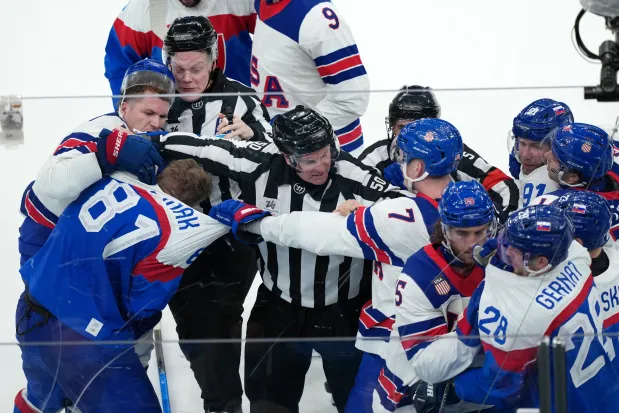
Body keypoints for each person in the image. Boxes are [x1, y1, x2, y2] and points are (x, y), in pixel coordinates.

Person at [154, 105, 402, 413]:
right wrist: (144, 142)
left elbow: (413, 214)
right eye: (308, 160)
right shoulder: (258, 162)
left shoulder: (356, 177)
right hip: (278, 307)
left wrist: (372, 215)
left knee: (358, 403)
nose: (321, 165)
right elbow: (206, 147)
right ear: (286, 156)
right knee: (267, 405)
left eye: (325, 154)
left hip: (346, 310)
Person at [207, 116, 464, 412]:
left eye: (404, 159)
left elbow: (316, 233)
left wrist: (254, 223)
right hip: (443, 348)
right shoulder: (474, 209)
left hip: (391, 343)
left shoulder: (393, 217)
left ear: (418, 168)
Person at [13, 159, 269, 413]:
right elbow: (141, 308)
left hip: (31, 313)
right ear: (196, 201)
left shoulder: (112, 178)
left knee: (40, 400)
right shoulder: (181, 231)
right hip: (83, 340)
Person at [162, 15, 271, 412]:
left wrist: (256, 138)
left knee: (215, 326)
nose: (187, 78)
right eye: (179, 69)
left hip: (228, 236)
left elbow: (275, 159)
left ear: (213, 62)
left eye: (197, 68)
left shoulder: (243, 101)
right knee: (196, 330)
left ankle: (222, 404)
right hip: (173, 235)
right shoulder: (157, 96)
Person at [416, 204, 619, 412]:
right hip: (607, 381)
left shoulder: (518, 318)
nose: (507, 250)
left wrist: (452, 385)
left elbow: (500, 389)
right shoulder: (577, 256)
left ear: (540, 262)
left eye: (515, 250)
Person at [18, 58, 173, 267]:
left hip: (93, 245)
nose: (156, 122)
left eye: (163, 116)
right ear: (124, 108)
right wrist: (104, 156)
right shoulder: (99, 131)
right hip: (49, 237)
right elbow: (49, 182)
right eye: (148, 113)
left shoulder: (155, 137)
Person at [375, 181, 497, 413]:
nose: (473, 243)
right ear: (445, 230)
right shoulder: (419, 276)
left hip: (479, 389)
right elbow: (427, 366)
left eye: (480, 232)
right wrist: (473, 319)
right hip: (413, 391)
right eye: (462, 233)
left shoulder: (503, 258)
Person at [359, 86, 519, 223]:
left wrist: (493, 223)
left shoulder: (450, 151)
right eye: (402, 128)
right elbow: (353, 201)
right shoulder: (374, 158)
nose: (409, 138)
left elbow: (504, 186)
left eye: (418, 129)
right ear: (392, 127)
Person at [250, 0, 370, 153]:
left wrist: (290, 129)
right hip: (283, 148)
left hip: (329, 154)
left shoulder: (316, 17)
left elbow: (353, 99)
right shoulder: (262, 3)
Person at [104, 0, 256, 106]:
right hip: (171, 117)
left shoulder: (242, 2)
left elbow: (276, 36)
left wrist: (273, 101)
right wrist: (130, 113)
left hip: (238, 108)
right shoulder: (142, 8)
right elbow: (119, 65)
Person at [506, 98, 573, 207]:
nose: (525, 155)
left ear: (559, 146)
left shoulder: (542, 181)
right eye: (522, 143)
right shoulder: (521, 166)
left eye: (536, 147)